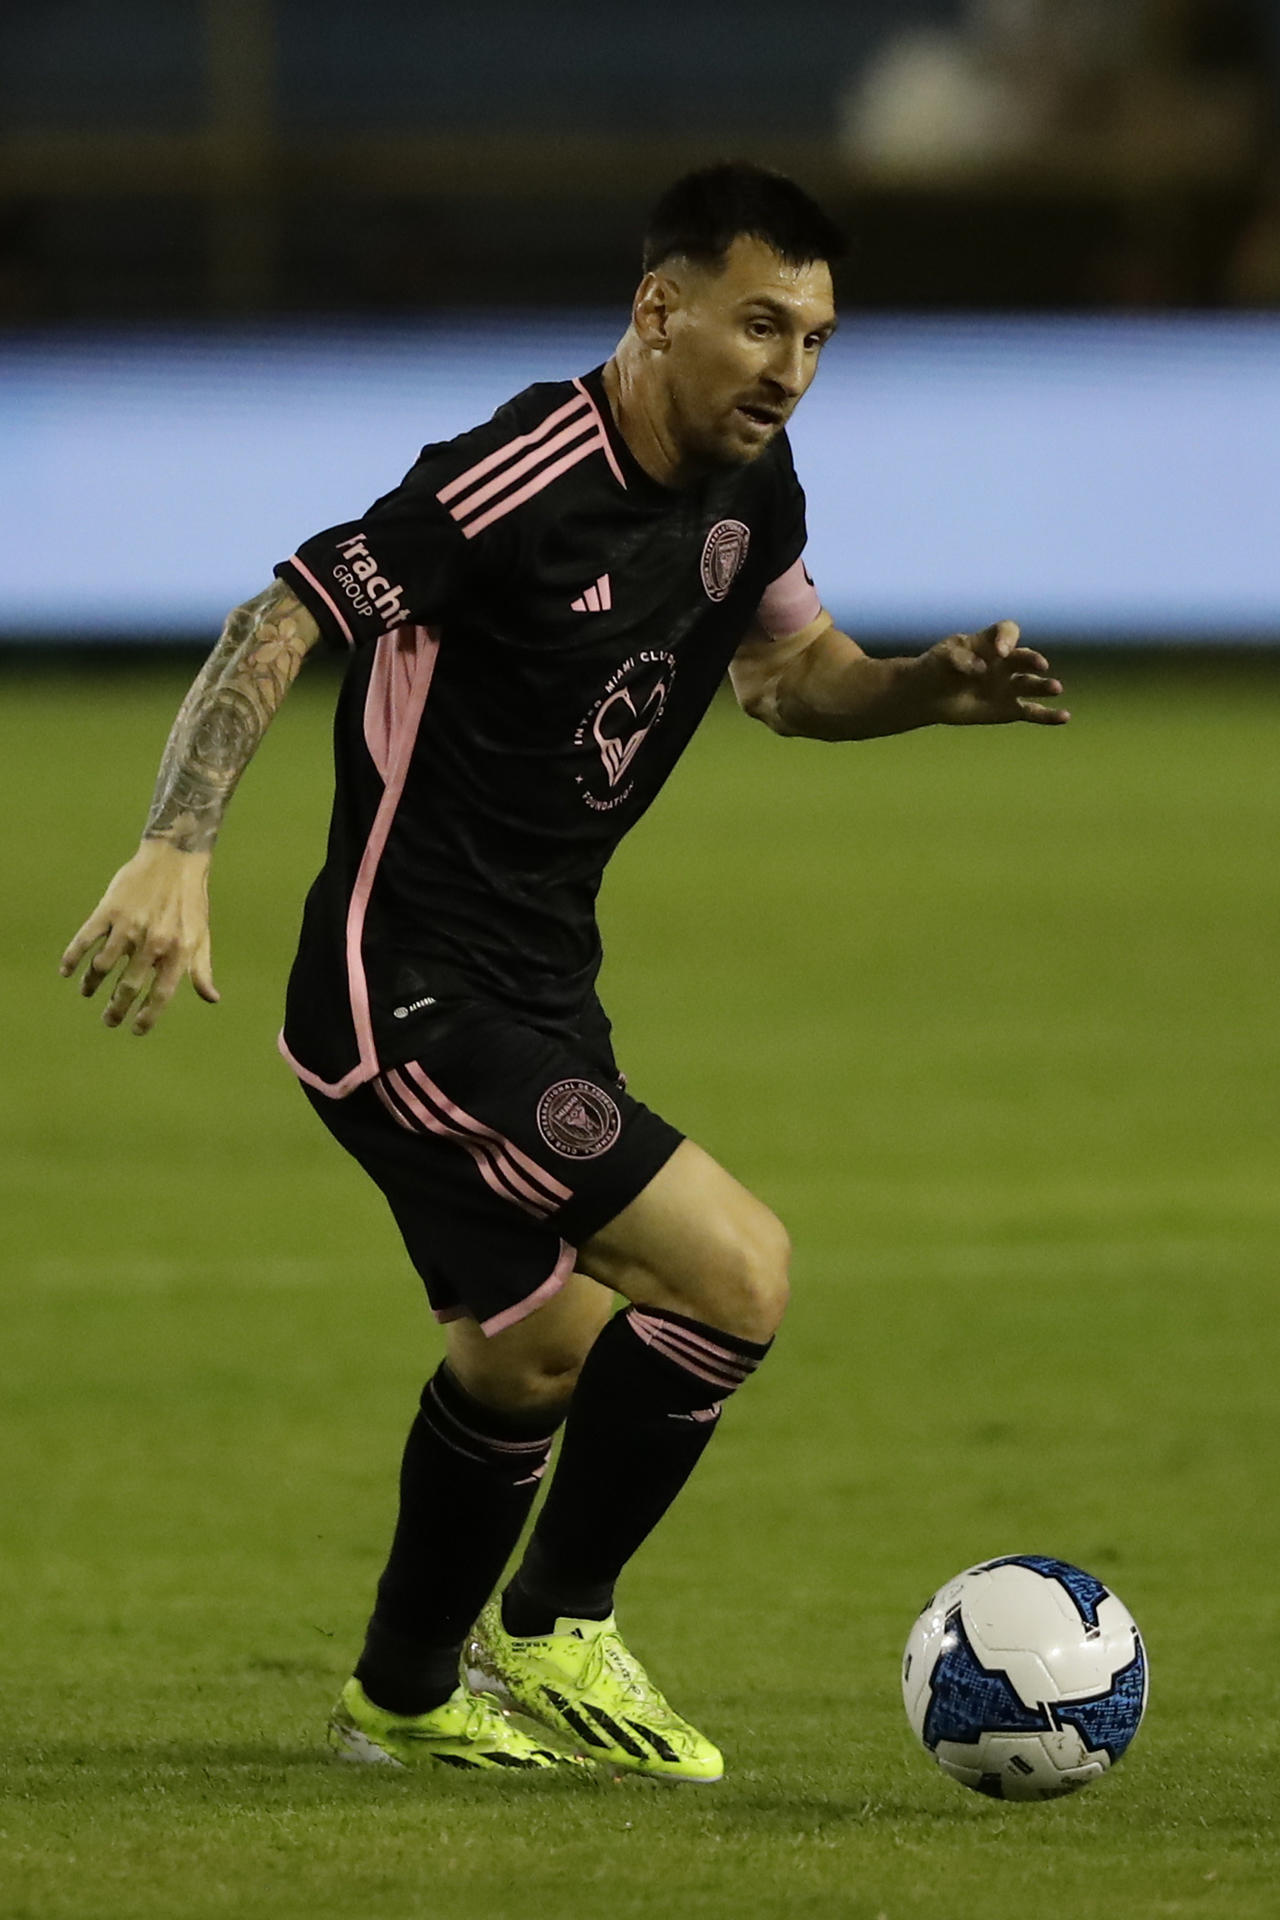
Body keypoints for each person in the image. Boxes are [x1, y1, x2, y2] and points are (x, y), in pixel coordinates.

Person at [61, 164, 1069, 1782]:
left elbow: (794, 676)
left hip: (538, 990)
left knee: (530, 1348)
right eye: (758, 325)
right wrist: (176, 846)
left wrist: (918, 691)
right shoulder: (512, 478)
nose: (789, 369)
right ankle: (551, 1629)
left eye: (815, 336)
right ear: (656, 309)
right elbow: (284, 610)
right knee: (734, 1273)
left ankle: (401, 1696)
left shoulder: (757, 489)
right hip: (413, 997)